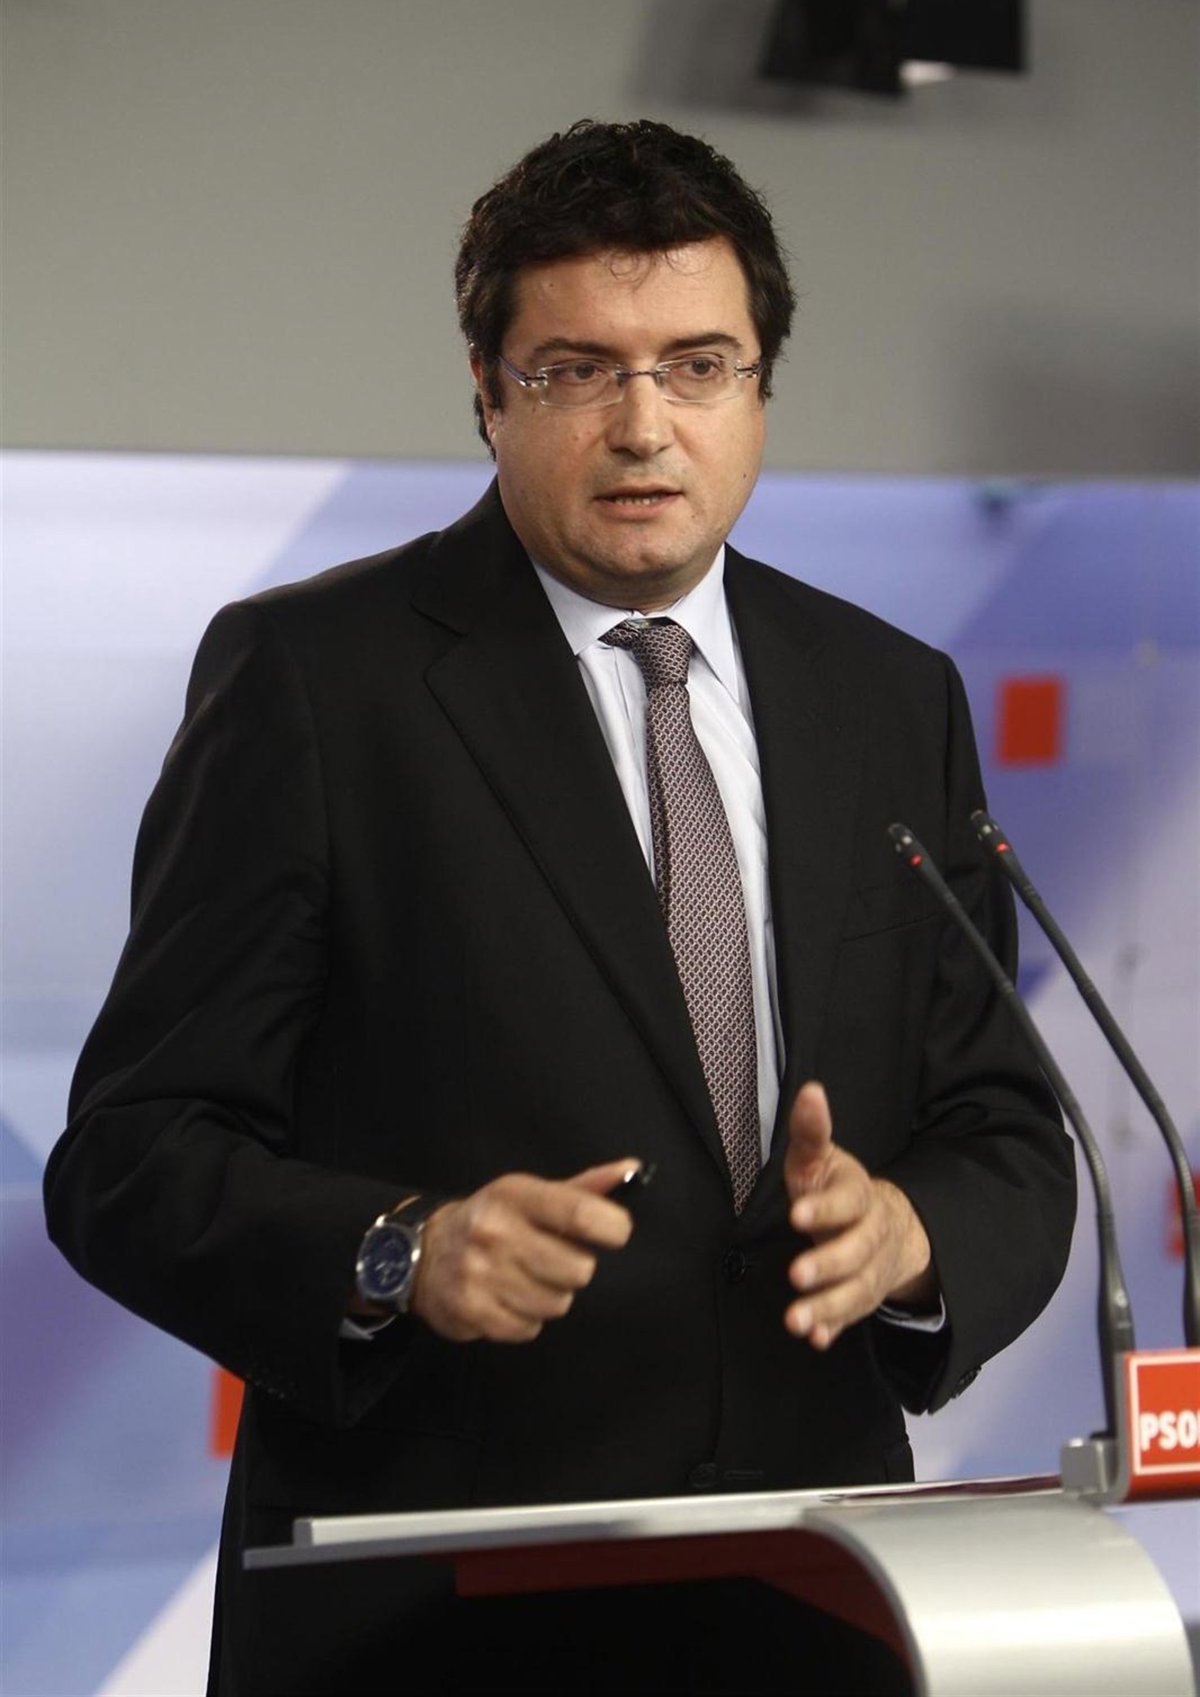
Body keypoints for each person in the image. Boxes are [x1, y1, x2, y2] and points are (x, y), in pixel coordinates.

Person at [44, 119, 1075, 1696]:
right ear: (488, 390)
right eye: (579, 370)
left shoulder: (890, 694)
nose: (645, 425)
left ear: (761, 388)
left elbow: (1005, 1128)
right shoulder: (314, 683)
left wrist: (915, 1236)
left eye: (700, 366)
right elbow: (131, 1152)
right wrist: (399, 1252)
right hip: (435, 1611)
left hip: (819, 1591)